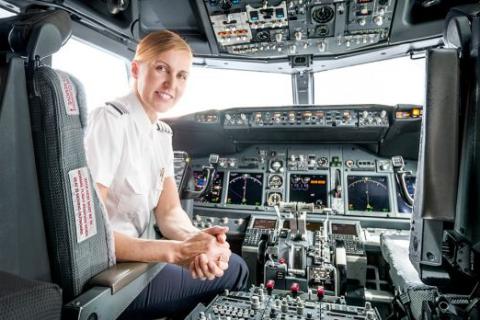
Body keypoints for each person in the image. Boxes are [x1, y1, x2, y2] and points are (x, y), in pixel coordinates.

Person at [84, 30, 248, 319]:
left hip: (136, 266)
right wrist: (174, 252)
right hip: (111, 280)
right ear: (136, 69)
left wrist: (199, 243)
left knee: (223, 261)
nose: (171, 84)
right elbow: (90, 236)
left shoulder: (161, 133)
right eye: (162, 68)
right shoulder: (110, 120)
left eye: (182, 75)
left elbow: (170, 211)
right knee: (238, 269)